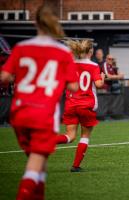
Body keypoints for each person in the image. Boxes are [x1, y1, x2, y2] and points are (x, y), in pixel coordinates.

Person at [0, 5, 78, 200]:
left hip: (19, 113)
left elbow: (5, 76)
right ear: (55, 24)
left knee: (39, 164)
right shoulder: (62, 52)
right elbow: (74, 87)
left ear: (35, 22)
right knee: (33, 167)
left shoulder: (21, 47)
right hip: (43, 113)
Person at [56, 39, 105, 172]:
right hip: (86, 105)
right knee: (85, 136)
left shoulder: (71, 64)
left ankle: (48, 140)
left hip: (71, 104)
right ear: (91, 51)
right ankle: (76, 166)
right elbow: (99, 85)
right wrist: (103, 76)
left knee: (70, 136)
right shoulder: (94, 66)